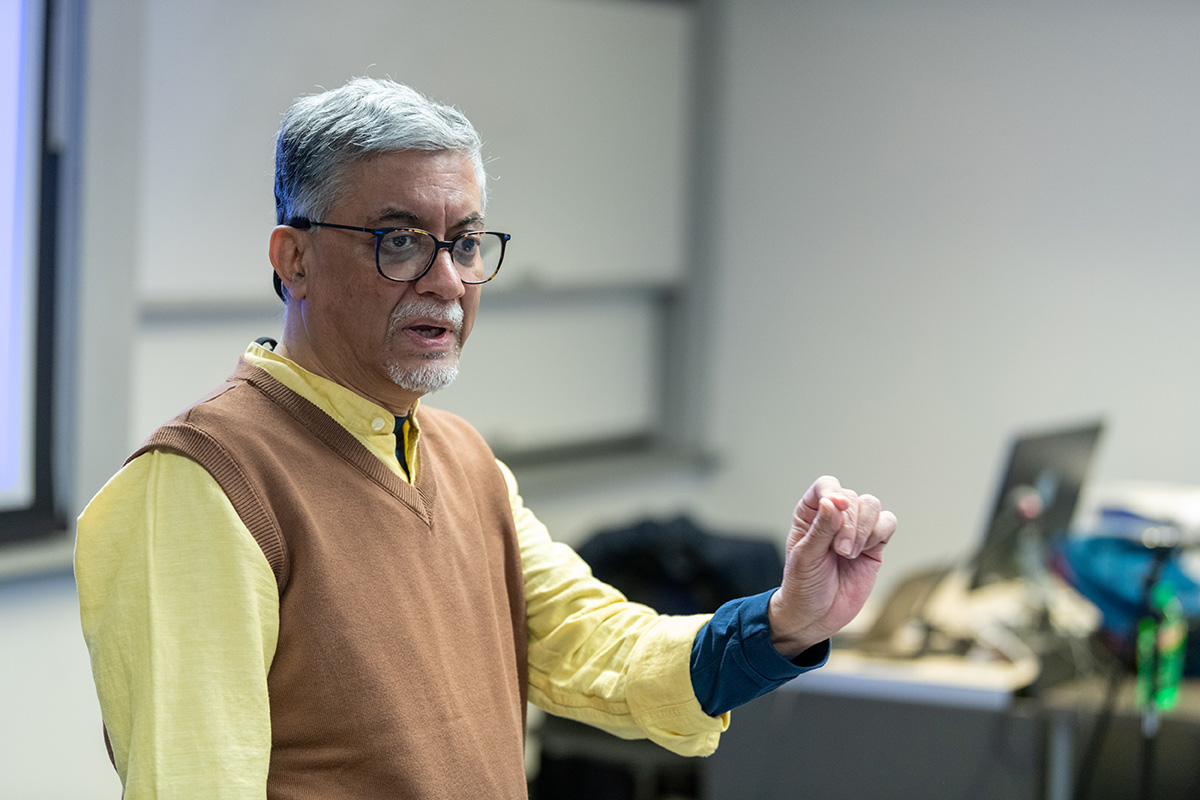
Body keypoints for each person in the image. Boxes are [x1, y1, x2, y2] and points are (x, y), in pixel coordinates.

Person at [75, 77, 897, 799]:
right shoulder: (204, 483)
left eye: (465, 242)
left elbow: (596, 648)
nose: (445, 280)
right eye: (399, 240)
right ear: (294, 259)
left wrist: (787, 622)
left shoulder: (463, 459)